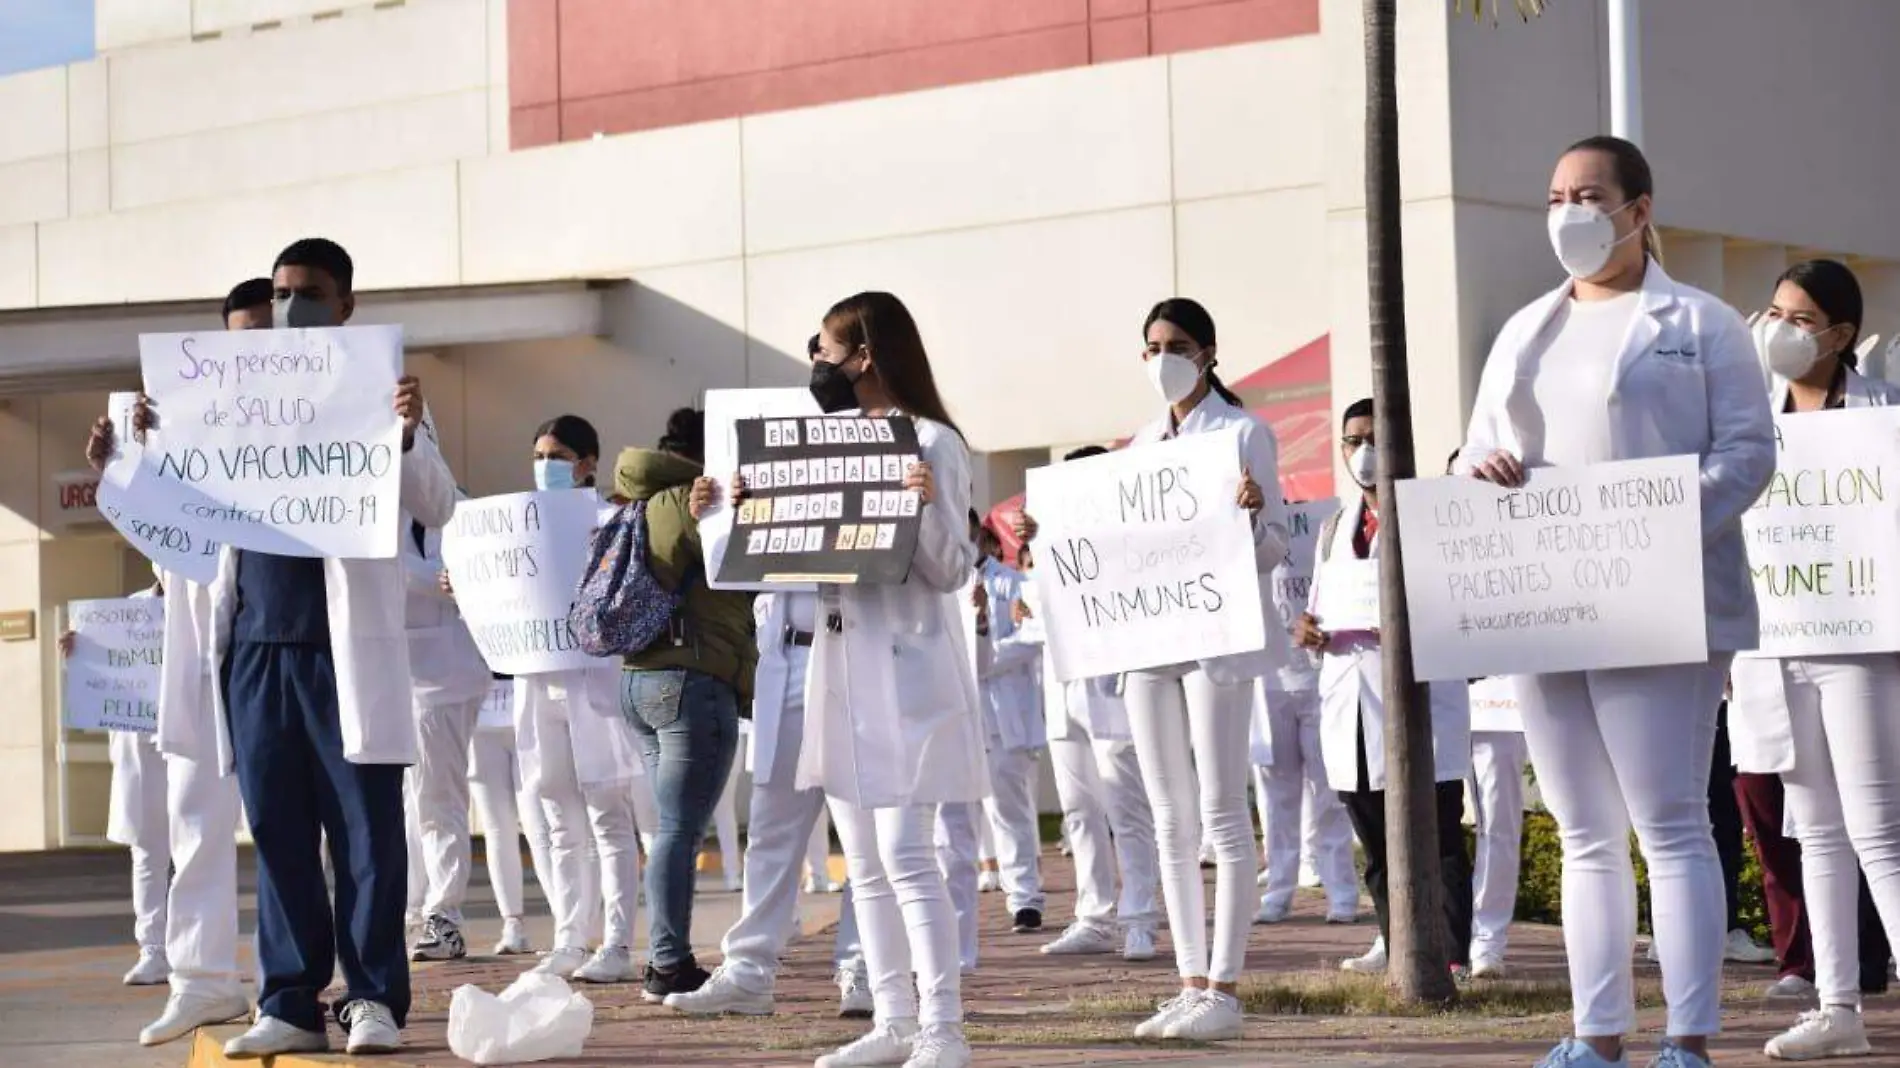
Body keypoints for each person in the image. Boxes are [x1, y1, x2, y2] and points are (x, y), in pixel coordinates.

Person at [1456, 137, 1775, 1068]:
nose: (1569, 213)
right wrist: (1476, 469)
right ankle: (1595, 1035)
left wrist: (1655, 528)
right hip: (1549, 601)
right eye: (1555, 195)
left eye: (1589, 195)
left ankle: (1688, 1038)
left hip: (1661, 602)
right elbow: (1475, 451)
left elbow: (1749, 455)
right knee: (1585, 827)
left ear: (1638, 209)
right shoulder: (1526, 329)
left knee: (1669, 821)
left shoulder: (1703, 322)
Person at [145, 239, 456, 1058]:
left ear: (346, 304)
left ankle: (374, 998)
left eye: (309, 293)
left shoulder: (382, 394)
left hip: (343, 650)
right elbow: (174, 531)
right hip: (253, 648)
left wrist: (410, 431)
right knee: (277, 831)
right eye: (282, 294)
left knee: (366, 834)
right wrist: (145, 450)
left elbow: (438, 505)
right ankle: (289, 999)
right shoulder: (228, 403)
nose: (290, 308)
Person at [698, 292, 984, 1068]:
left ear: (864, 356)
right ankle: (893, 1020)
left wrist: (923, 506)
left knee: (906, 852)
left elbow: (953, 567)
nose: (815, 364)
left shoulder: (932, 442)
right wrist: (732, 511)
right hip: (839, 665)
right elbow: (759, 563)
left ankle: (943, 1028)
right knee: (863, 861)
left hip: (910, 668)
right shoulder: (828, 444)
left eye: (823, 350)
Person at [1015, 296, 1291, 1042]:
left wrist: (1253, 514)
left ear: (1206, 353)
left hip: (1214, 642)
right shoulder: (1137, 445)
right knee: (1170, 817)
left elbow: (1273, 548)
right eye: (1149, 347)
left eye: (1173, 344)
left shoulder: (1243, 434)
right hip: (1148, 645)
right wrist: (1050, 530)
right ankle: (1190, 981)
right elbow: (1111, 541)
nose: (1159, 358)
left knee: (1221, 814)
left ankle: (1226, 986)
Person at [80, 280, 270, 1047]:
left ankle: (308, 983)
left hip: (283, 651)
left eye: (264, 332)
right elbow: (161, 541)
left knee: (299, 832)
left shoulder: (327, 410)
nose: (250, 349)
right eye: (239, 335)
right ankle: (201, 982)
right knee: (193, 823)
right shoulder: (188, 421)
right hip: (202, 654)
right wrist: (124, 461)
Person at [1727, 258, 1900, 1060]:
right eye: (1773, 312)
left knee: (1878, 829)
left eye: (1799, 319)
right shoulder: (1745, 422)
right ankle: (1839, 1010)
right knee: (1817, 832)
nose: (1779, 331)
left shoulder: (1885, 418)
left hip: (1861, 645)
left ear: (1840, 335)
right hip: (1774, 645)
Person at [1304, 399, 1473, 979]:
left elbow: (1458, 601)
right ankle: (1394, 939)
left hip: (1418, 695)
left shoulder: (1434, 516)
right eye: (1353, 439)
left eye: (1375, 436)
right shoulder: (1332, 527)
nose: (1364, 450)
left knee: (1438, 837)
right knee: (1374, 840)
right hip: (1349, 695)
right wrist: (1308, 630)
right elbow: (1319, 609)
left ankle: (1451, 954)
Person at [662, 584, 869, 1019]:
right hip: (786, 654)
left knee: (863, 836)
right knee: (770, 831)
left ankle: (863, 966)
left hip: (854, 649)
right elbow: (725, 563)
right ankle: (748, 971)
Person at [614, 407, 757, 1003]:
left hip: (638, 682)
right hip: (691, 678)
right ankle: (667, 963)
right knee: (678, 830)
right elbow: (745, 572)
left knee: (668, 830)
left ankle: (666, 957)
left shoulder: (635, 501)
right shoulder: (693, 500)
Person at [1001, 458, 1164, 961]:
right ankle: (1094, 915)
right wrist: (1036, 542)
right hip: (1060, 684)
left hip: (1108, 684)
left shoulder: (1123, 547)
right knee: (1079, 809)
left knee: (1126, 806)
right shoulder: (1044, 549)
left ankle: (1139, 918)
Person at [500, 415, 644, 984]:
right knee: (557, 809)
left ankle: (616, 942)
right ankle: (568, 937)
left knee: (609, 813)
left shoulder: (611, 521)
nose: (544, 465)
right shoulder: (519, 522)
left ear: (587, 462)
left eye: (556, 455)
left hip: (594, 679)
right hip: (538, 679)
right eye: (537, 454)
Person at [400, 477, 504, 962]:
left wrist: (461, 581)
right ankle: (416, 909)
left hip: (448, 677)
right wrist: (437, 579)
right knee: (408, 802)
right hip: (401, 675)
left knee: (437, 798)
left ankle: (444, 916)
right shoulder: (379, 506)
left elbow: (495, 568)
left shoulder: (463, 509)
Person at [1252, 496, 1359, 930]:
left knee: (1329, 793)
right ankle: (1278, 891)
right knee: (1277, 798)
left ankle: (1342, 893)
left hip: (1317, 678)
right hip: (1269, 680)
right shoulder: (1248, 535)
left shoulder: (1323, 530)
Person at [63, 579, 171, 990]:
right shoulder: (130, 611)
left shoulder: (207, 596)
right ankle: (153, 951)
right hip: (138, 746)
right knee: (146, 851)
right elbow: (105, 670)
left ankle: (191, 952)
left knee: (194, 851)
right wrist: (79, 654)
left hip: (187, 742)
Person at [968, 512, 1047, 934]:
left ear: (981, 536)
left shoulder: (1015, 581)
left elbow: (1033, 638)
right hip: (961, 710)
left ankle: (1025, 899)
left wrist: (986, 656)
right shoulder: (940, 585)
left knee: (1009, 809)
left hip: (1004, 711)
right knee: (957, 815)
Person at [465, 672, 552, 956]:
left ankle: (566, 924)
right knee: (498, 827)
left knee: (537, 825)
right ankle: (512, 924)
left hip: (524, 700)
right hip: (479, 706)